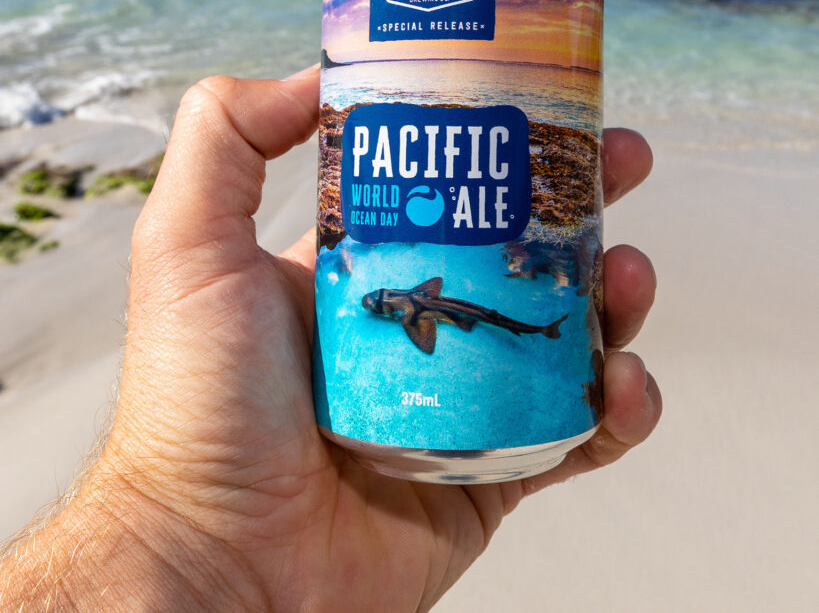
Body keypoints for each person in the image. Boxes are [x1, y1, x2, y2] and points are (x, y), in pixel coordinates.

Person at [0, 67, 661, 612]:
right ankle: (535, 329)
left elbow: (421, 307)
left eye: (388, 307)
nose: (391, 312)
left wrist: (186, 536)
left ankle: (537, 328)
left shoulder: (414, 308)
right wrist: (180, 523)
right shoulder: (412, 310)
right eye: (389, 308)